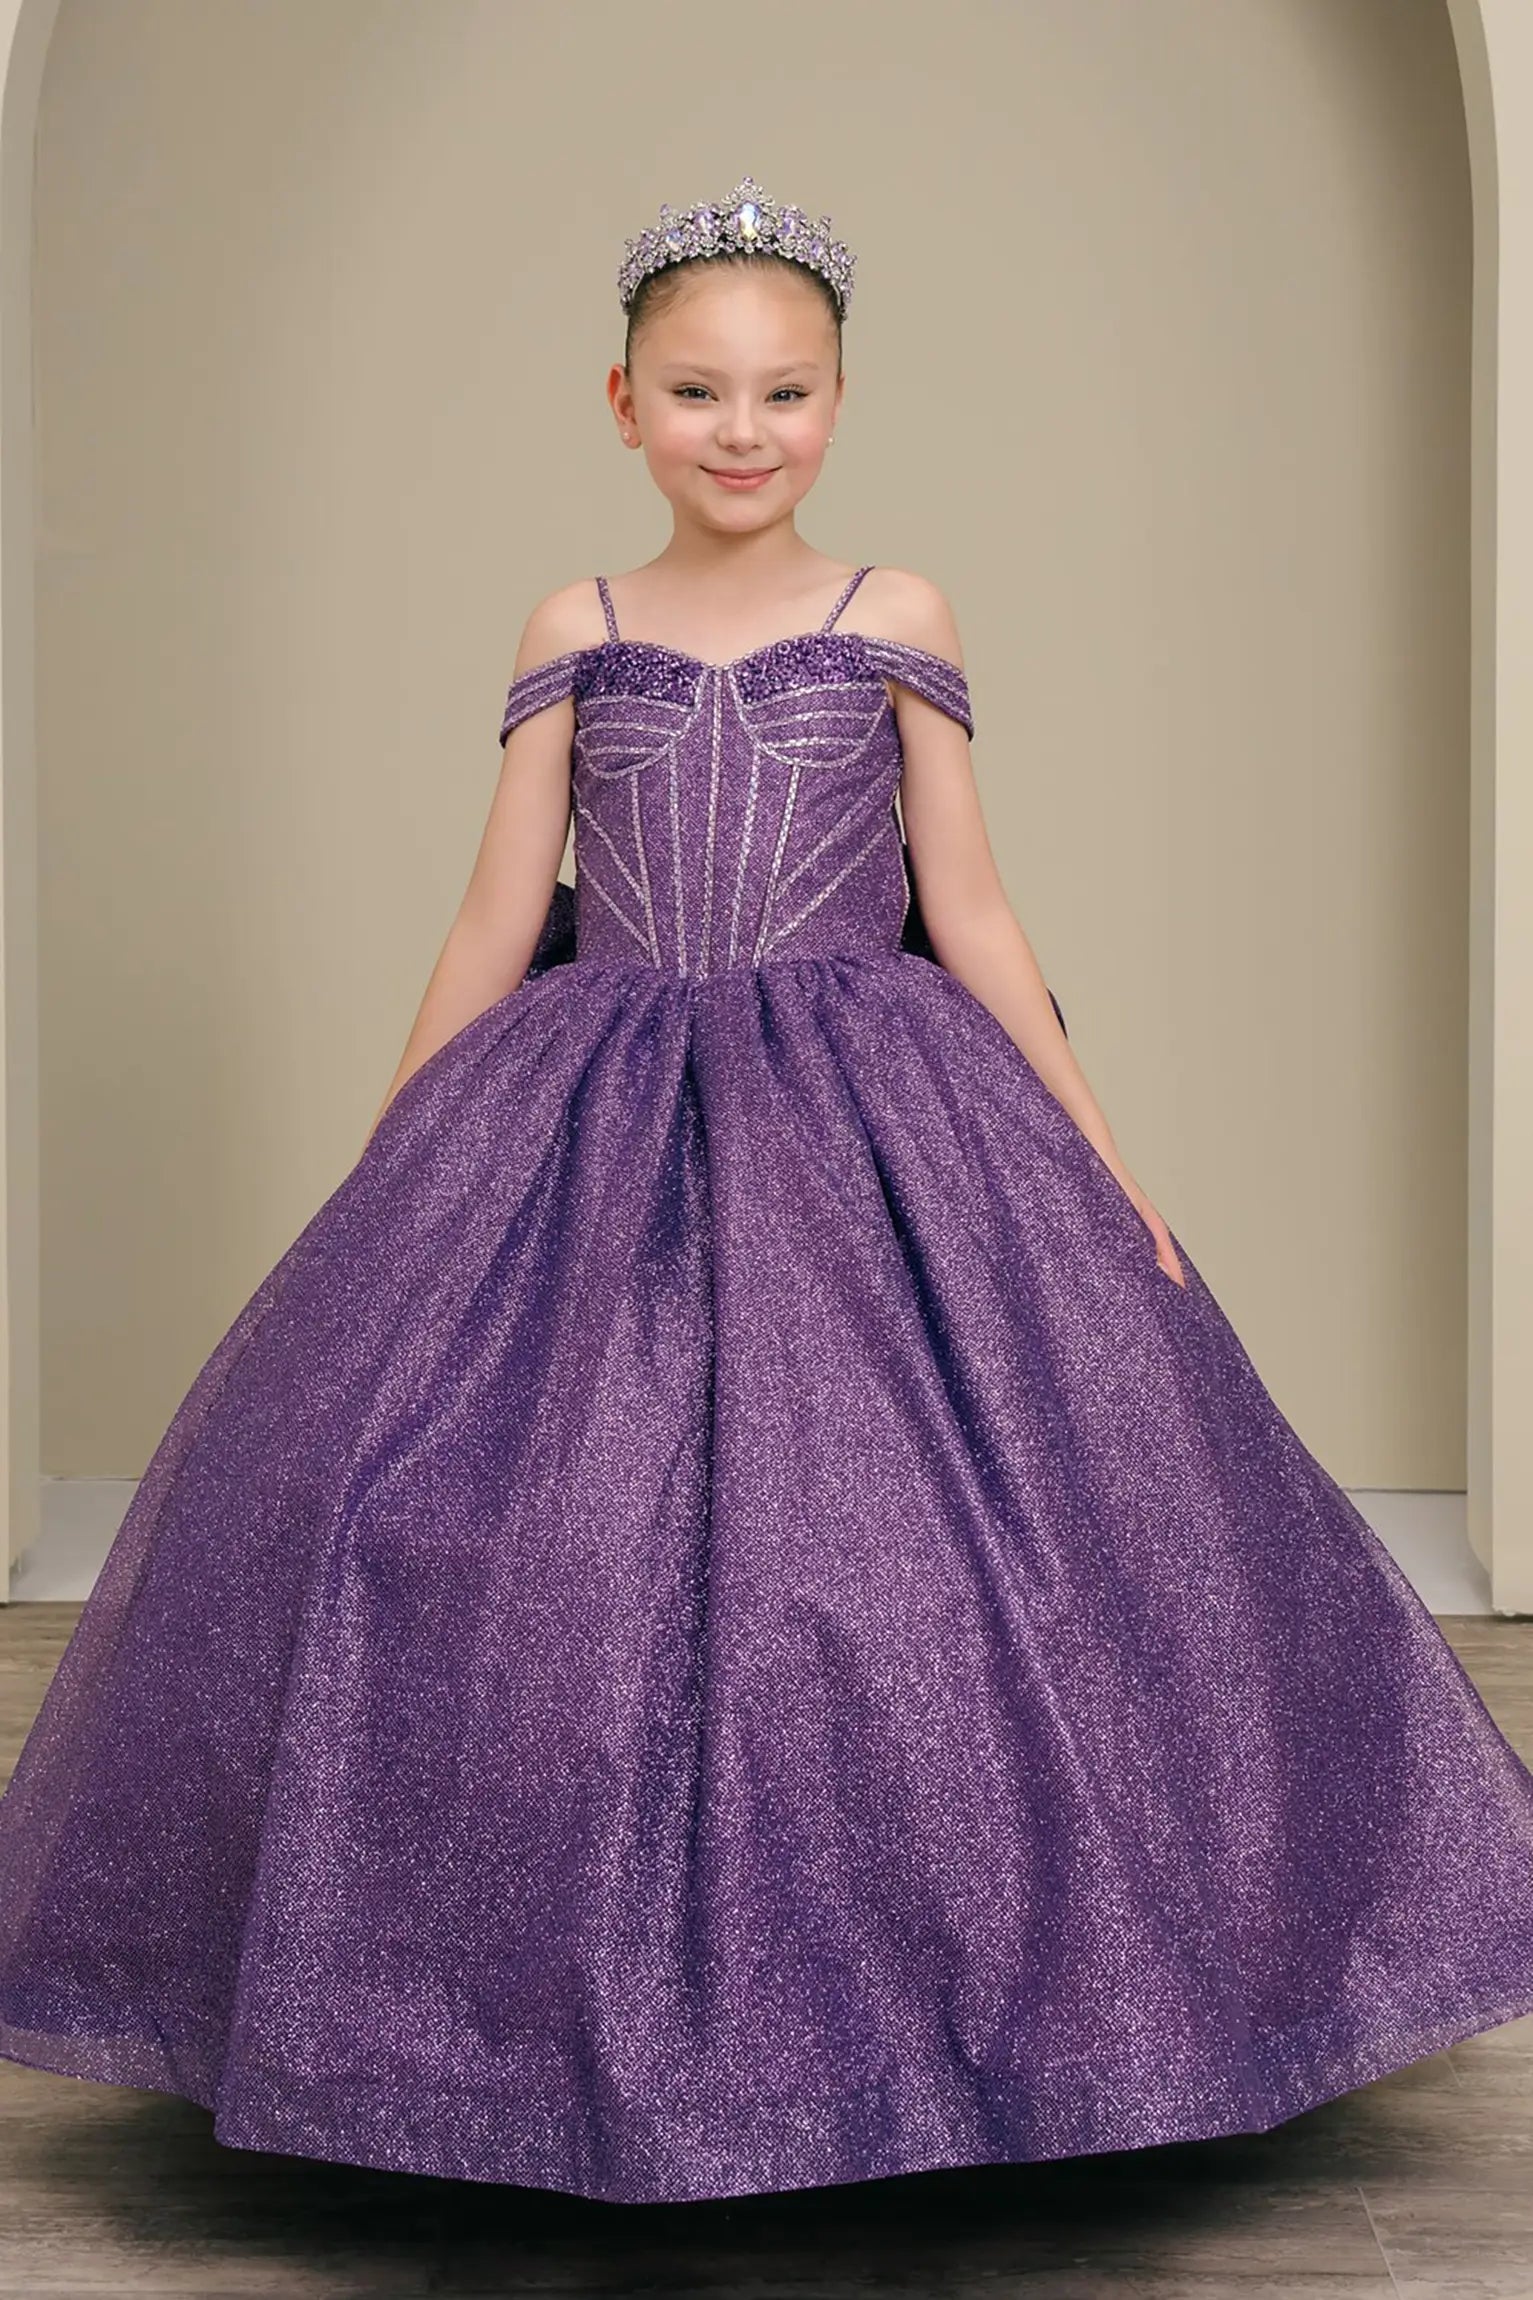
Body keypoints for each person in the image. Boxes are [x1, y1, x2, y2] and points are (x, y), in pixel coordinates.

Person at [1, 172, 1531, 2211]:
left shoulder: (894, 614)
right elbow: (495, 915)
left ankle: (975, 2036)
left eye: (784, 392)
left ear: (838, 402)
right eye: (698, 391)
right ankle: (483, 2044)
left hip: (875, 1105)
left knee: (923, 1551)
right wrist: (394, 1161)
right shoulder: (576, 627)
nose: (743, 430)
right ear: (620, 402)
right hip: (597, 1094)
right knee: (520, 1537)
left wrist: (1102, 1159)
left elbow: (970, 909)